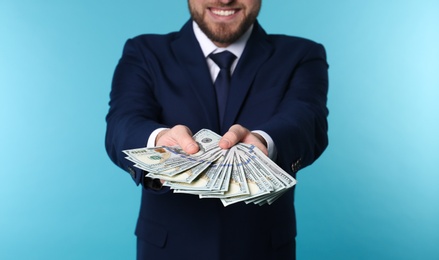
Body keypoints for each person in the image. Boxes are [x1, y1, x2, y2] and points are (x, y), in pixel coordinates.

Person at [105, 0, 329, 259]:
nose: (224, 0)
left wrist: (265, 141)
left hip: (262, 248)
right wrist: (158, 141)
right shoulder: (143, 51)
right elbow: (123, 121)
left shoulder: (302, 55)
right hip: (168, 249)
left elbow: (306, 119)